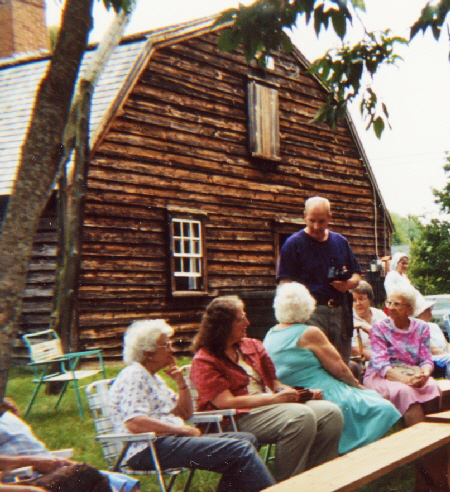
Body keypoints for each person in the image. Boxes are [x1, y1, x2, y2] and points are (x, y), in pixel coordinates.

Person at [108, 319, 275, 492]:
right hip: (144, 449)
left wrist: (181, 384)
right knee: (240, 449)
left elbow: (185, 413)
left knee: (247, 439)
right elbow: (134, 422)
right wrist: (181, 430)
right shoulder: (134, 375)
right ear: (148, 353)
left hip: (167, 442)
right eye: (165, 345)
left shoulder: (155, 379)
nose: (171, 350)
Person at [190, 296, 344, 483]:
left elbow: (274, 384)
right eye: (241, 319)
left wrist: (299, 393)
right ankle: (286, 485)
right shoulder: (205, 359)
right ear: (223, 326)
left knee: (330, 412)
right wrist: (272, 400)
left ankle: (318, 481)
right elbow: (225, 402)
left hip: (266, 408)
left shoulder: (252, 346)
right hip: (233, 417)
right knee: (300, 416)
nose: (248, 322)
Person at [263, 282, 400, 455]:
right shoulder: (309, 332)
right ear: (308, 307)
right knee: (382, 406)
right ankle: (360, 454)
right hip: (323, 390)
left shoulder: (271, 333)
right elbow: (339, 369)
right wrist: (358, 386)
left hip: (294, 390)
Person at [276, 196, 361, 363]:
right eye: (311, 221)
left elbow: (357, 274)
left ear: (330, 218)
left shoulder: (340, 242)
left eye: (321, 221)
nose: (316, 226)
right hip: (311, 313)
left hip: (340, 312)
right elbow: (284, 283)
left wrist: (349, 284)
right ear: (304, 217)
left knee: (341, 362)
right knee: (316, 362)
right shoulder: (293, 244)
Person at [0, 399, 130, 492]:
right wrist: (34, 462)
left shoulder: (6, 413)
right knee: (85, 473)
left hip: (37, 471)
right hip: (18, 476)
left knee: (117, 479)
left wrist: (51, 460)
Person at [364, 285, 442, 427]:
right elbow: (380, 364)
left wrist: (424, 374)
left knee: (432, 386)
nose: (391, 307)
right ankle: (418, 443)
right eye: (389, 303)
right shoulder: (380, 327)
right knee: (406, 392)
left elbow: (426, 358)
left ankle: (436, 441)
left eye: (397, 304)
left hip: (412, 372)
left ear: (409, 309)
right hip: (382, 375)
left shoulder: (421, 327)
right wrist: (406, 380)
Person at [414, 295, 450, 379]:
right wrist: (447, 354)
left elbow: (446, 343)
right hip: (430, 357)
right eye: (427, 309)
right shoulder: (417, 327)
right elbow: (431, 348)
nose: (430, 310)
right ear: (420, 312)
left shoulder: (434, 326)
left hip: (444, 354)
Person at [351, 281, 386, 361]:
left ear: (370, 299)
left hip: (385, 356)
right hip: (364, 361)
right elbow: (353, 349)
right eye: (354, 300)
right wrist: (375, 358)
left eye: (361, 299)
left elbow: (390, 337)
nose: (358, 303)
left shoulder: (380, 315)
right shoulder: (348, 319)